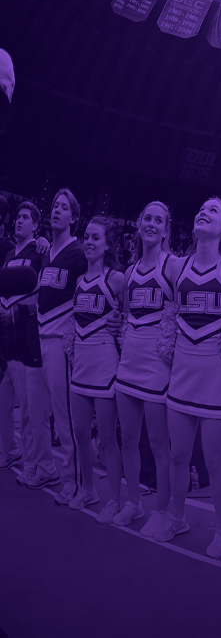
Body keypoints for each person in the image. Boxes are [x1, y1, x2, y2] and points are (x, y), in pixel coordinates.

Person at [156, 198, 221, 557]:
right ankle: (176, 516)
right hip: (182, 372)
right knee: (178, 455)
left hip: (217, 377)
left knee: (214, 460)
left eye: (214, 210)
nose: (203, 211)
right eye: (201, 208)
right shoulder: (176, 266)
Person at [113, 202, 176, 533]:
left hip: (156, 369)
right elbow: (126, 318)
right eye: (147, 218)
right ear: (139, 225)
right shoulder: (129, 272)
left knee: (158, 445)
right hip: (128, 365)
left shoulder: (173, 267)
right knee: (128, 441)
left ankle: (161, 511)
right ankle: (134, 502)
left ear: (166, 229)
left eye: (158, 220)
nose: (152, 223)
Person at [23, 189, 87, 499]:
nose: (56, 211)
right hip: (38, 338)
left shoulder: (80, 253)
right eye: (54, 206)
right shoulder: (46, 253)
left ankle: (73, 482)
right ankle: (46, 469)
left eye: (63, 208)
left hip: (61, 343)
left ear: (74, 217)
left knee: (64, 418)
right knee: (37, 414)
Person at [67, 217, 126, 523]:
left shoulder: (116, 279)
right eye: (86, 238)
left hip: (105, 365)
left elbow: (130, 319)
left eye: (95, 238)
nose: (89, 242)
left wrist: (119, 325)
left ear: (107, 245)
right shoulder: (78, 281)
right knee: (80, 434)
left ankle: (115, 499)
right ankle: (87, 488)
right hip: (80, 365)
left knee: (106, 439)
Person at [0, 201, 44, 471]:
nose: (19, 221)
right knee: (3, 404)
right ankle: (11, 450)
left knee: (27, 409)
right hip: (4, 339)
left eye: (26, 217)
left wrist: (46, 244)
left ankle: (31, 462)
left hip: (25, 339)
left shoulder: (39, 252)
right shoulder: (7, 255)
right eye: (18, 217)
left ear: (36, 226)